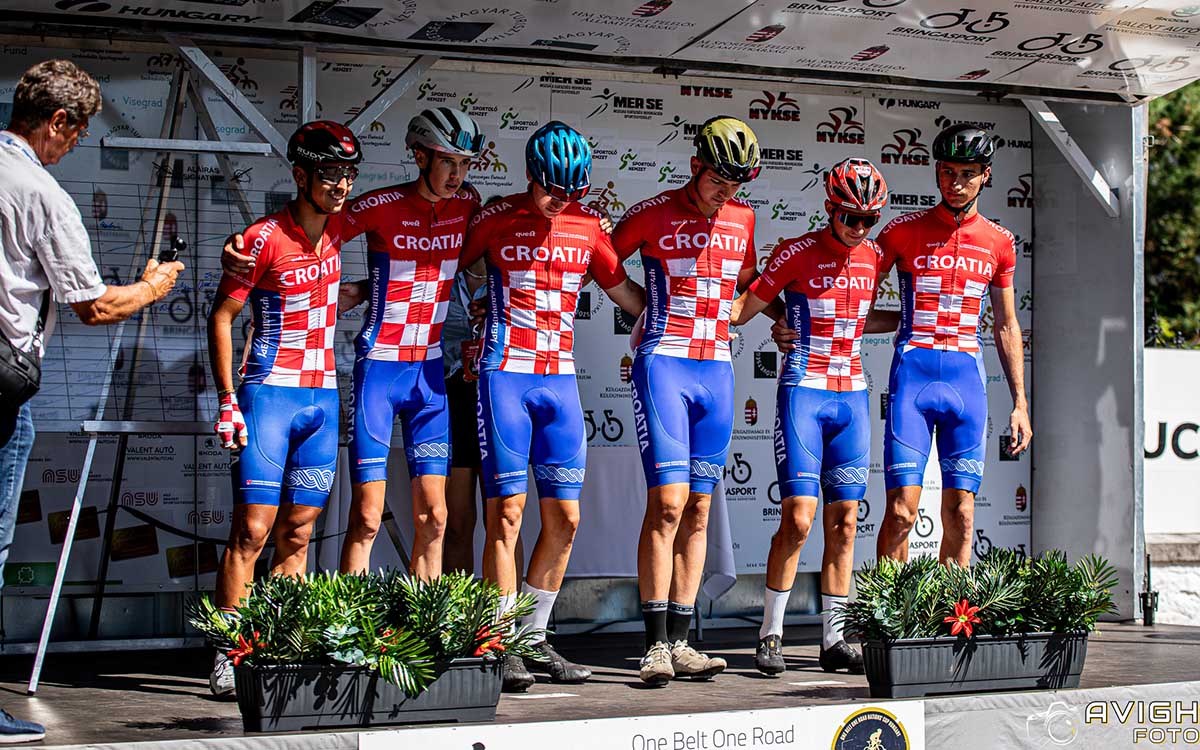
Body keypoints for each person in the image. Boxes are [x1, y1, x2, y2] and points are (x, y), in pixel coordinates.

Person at [0, 58, 183, 743]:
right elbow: (95, 306)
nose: (74, 145)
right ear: (57, 122)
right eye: (76, 133)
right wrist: (153, 288)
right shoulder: (39, 193)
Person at [223, 109, 484, 580]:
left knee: (435, 516)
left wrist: (365, 289)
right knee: (366, 517)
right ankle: (352, 616)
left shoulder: (467, 203)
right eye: (448, 161)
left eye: (465, 164)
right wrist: (240, 244)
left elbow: (494, 238)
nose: (457, 174)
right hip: (379, 368)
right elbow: (306, 231)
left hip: (429, 374)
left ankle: (423, 618)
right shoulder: (377, 205)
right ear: (420, 157)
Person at [774, 124, 1031, 567]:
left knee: (962, 514)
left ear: (986, 175)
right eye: (947, 172)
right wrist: (796, 322)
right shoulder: (900, 232)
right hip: (913, 380)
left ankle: (954, 609)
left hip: (967, 384)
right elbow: (851, 300)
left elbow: (1007, 325)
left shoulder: (999, 242)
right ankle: (891, 610)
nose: (955, 183)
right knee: (900, 514)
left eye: (967, 174)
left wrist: (1020, 403)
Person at [461, 121, 645, 691]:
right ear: (530, 175)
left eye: (573, 191)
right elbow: (441, 271)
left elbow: (628, 295)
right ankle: (499, 641)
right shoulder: (495, 218)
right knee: (506, 515)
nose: (560, 200)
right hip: (505, 376)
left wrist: (697, 321)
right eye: (551, 190)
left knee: (565, 518)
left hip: (559, 380)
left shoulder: (588, 226)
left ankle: (534, 636)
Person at [207, 120, 361, 696]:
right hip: (268, 395)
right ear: (300, 175)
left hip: (322, 398)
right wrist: (227, 400)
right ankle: (230, 653)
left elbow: (410, 211)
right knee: (252, 530)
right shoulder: (262, 238)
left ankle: (282, 646)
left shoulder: (342, 225)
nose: (341, 185)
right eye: (330, 174)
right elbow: (221, 317)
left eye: (348, 174)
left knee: (298, 532)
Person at [610, 116, 759, 687]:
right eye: (718, 180)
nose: (727, 192)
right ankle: (652, 645)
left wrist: (765, 317)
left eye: (736, 183)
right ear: (695, 166)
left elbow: (749, 284)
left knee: (699, 506)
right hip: (664, 363)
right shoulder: (652, 214)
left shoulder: (743, 218)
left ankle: (681, 639)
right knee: (668, 504)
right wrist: (637, 305)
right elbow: (599, 261)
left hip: (716, 368)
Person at [730, 158, 891, 676]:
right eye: (849, 217)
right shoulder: (796, 251)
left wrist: (915, 320)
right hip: (804, 391)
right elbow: (745, 306)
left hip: (853, 397)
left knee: (845, 523)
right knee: (798, 519)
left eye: (869, 220)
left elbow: (862, 318)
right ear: (829, 209)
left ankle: (833, 640)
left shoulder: (874, 256)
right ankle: (770, 633)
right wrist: (780, 320)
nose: (858, 228)